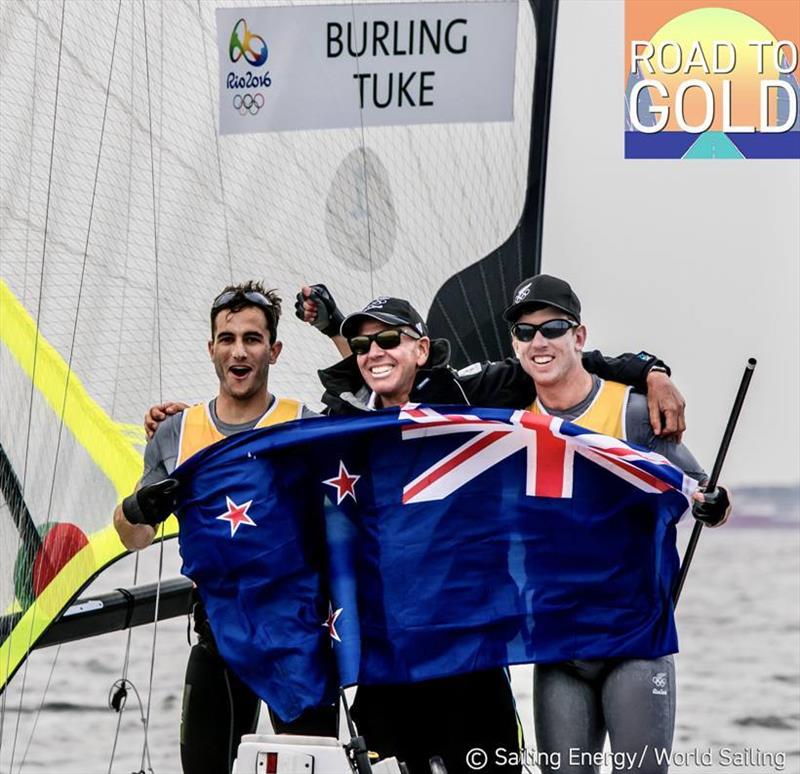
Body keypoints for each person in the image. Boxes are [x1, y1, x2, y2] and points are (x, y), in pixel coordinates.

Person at [291, 284, 690, 774]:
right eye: (361, 345)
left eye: (392, 340)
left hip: (470, 657)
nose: (375, 353)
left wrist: (651, 371)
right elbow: (367, 376)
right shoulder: (342, 418)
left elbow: (559, 359)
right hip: (389, 660)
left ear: (421, 348)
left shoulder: (467, 391)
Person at [499, 273, 730, 774]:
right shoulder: (508, 421)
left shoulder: (634, 413)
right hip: (559, 645)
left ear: (578, 337)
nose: (539, 341)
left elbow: (698, 488)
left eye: (552, 327)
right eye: (525, 331)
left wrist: (714, 503)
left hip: (633, 640)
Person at [113, 282, 337, 774]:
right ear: (211, 348)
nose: (240, 351)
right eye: (228, 338)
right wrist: (135, 506)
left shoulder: (303, 425)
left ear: (273, 351)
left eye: (253, 339)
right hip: (219, 638)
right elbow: (135, 538)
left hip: (298, 637)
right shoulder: (175, 432)